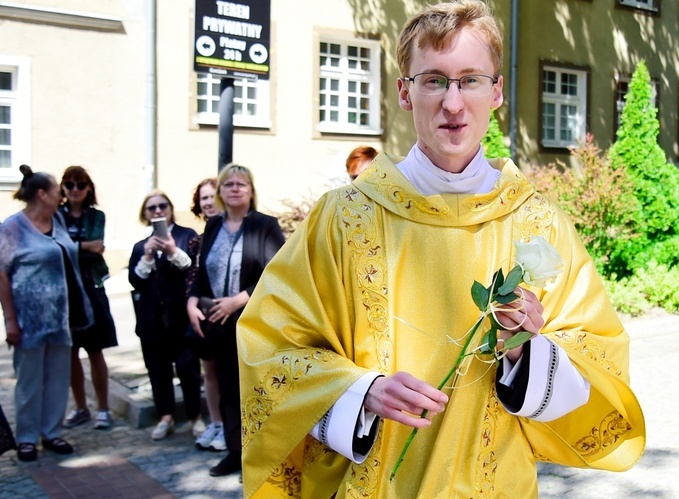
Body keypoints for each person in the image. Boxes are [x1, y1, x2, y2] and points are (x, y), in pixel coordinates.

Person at [236, 1, 645, 497]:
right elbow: (270, 346)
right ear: (405, 93)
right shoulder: (345, 218)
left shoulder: (535, 220)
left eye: (470, 80)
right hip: (377, 482)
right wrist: (361, 393)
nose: (453, 104)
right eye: (434, 81)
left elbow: (599, 357)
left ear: (496, 91)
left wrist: (526, 352)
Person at [186, 164, 285, 477]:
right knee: (228, 389)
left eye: (241, 183)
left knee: (256, 391)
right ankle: (235, 453)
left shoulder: (264, 225)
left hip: (252, 322)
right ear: (220, 192)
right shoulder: (213, 226)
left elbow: (278, 273)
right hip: (219, 323)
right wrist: (191, 300)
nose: (235, 188)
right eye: (228, 184)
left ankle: (263, 457)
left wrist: (238, 299)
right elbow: (201, 273)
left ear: (251, 190)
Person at [0, 165, 92, 462]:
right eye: (57, 191)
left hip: (60, 319)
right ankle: (27, 437)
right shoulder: (11, 228)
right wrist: (10, 320)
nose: (62, 196)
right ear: (42, 194)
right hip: (28, 322)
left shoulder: (58, 222)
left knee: (56, 378)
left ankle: (51, 432)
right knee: (29, 381)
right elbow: (1, 274)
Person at [128, 190, 204, 441]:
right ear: (145, 214)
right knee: (158, 370)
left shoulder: (187, 236)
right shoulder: (141, 246)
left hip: (182, 318)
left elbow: (192, 269)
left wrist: (171, 250)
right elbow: (136, 280)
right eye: (152, 208)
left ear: (170, 209)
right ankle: (166, 417)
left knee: (188, 368)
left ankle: (196, 417)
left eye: (162, 206)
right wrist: (149, 255)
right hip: (152, 321)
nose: (158, 211)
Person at [58, 166, 118, 431]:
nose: (74, 189)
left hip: (92, 289)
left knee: (95, 351)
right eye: (69, 184)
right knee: (70, 352)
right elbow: (58, 248)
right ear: (62, 188)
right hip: (64, 291)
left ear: (88, 188)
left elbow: (98, 246)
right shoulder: (56, 216)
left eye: (80, 184)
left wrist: (70, 247)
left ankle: (103, 409)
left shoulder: (96, 216)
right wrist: (83, 247)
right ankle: (81, 407)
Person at [186, 178, 226, 451]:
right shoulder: (197, 241)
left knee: (229, 373)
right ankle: (217, 423)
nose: (209, 202)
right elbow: (193, 278)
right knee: (209, 371)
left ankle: (231, 427)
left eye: (213, 196)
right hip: (205, 313)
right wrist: (190, 303)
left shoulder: (235, 232)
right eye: (204, 198)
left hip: (230, 313)